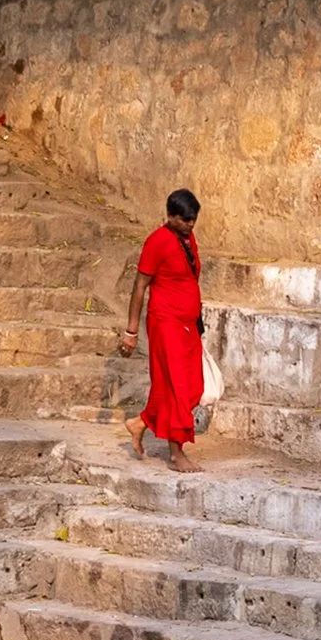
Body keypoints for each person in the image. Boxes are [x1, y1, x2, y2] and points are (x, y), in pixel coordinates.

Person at [121, 187, 204, 471]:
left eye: (193, 219)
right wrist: (131, 331)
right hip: (165, 322)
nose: (190, 224)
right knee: (177, 387)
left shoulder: (188, 238)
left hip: (187, 325)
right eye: (185, 219)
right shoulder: (156, 241)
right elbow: (139, 286)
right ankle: (176, 454)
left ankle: (140, 422)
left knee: (194, 386)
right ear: (170, 216)